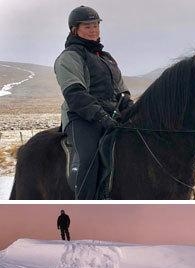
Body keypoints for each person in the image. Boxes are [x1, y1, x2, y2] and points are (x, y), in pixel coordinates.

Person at [54, 5, 134, 199]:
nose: (93, 30)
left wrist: (131, 109)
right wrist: (101, 116)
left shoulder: (107, 59)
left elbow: (122, 92)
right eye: (87, 26)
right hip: (81, 117)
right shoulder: (70, 57)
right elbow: (75, 94)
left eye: (96, 25)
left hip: (112, 116)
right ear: (75, 30)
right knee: (89, 157)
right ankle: (85, 205)